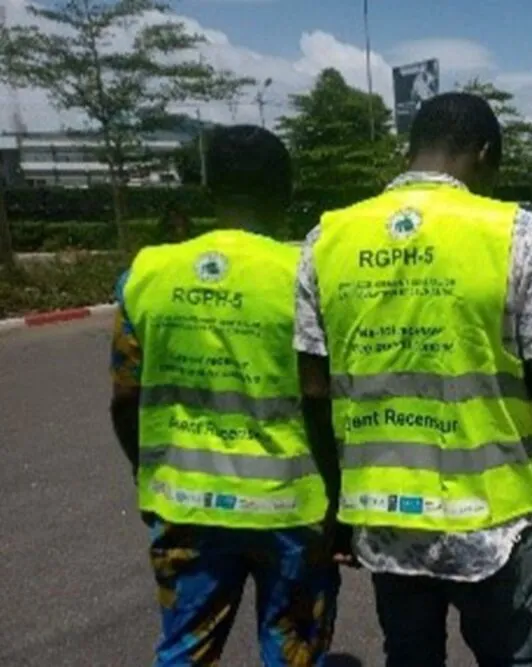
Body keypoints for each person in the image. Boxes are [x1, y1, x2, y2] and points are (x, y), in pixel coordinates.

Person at [295, 92, 532, 666]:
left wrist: (337, 507)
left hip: (382, 515)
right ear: (483, 153)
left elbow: (313, 391)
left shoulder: (326, 238)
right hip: (492, 522)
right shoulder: (517, 235)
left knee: (409, 656)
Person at [109, 126, 340, 666]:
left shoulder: (147, 273)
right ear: (286, 191)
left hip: (185, 506)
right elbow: (325, 401)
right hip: (293, 512)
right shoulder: (308, 276)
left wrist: (146, 471)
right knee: (293, 653)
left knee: (185, 651)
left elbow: (125, 399)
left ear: (210, 190)